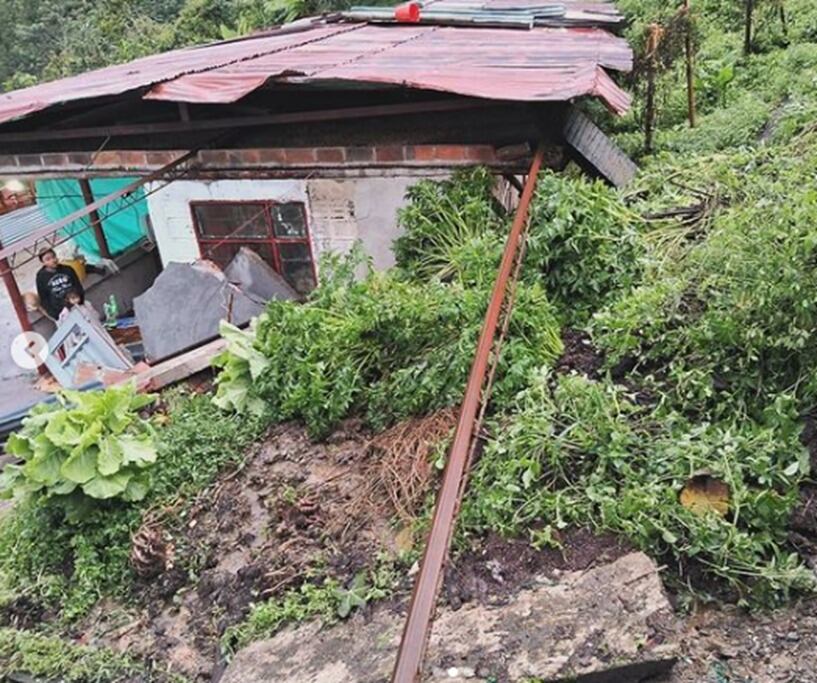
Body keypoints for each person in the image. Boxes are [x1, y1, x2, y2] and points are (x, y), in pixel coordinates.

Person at [35, 248, 84, 321]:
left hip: (77, 305)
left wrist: (80, 301)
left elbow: (78, 286)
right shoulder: (41, 277)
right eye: (48, 259)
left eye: (53, 257)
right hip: (60, 312)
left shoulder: (67, 269)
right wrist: (55, 315)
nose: (53, 260)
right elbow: (44, 298)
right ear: (43, 262)